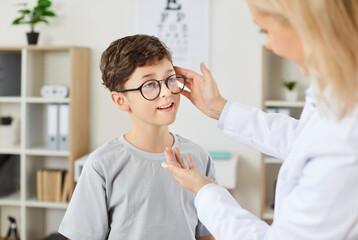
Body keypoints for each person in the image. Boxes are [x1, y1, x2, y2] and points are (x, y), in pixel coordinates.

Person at [162, 0, 358, 239]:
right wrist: (219, 109)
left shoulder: (346, 138)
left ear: (306, 25)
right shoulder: (337, 94)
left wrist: (204, 191)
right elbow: (304, 140)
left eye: (266, 30)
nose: (269, 44)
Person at [58, 34, 216, 240]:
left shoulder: (198, 157)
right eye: (149, 84)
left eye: (170, 79)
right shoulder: (102, 165)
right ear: (121, 101)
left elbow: (207, 235)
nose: (166, 92)